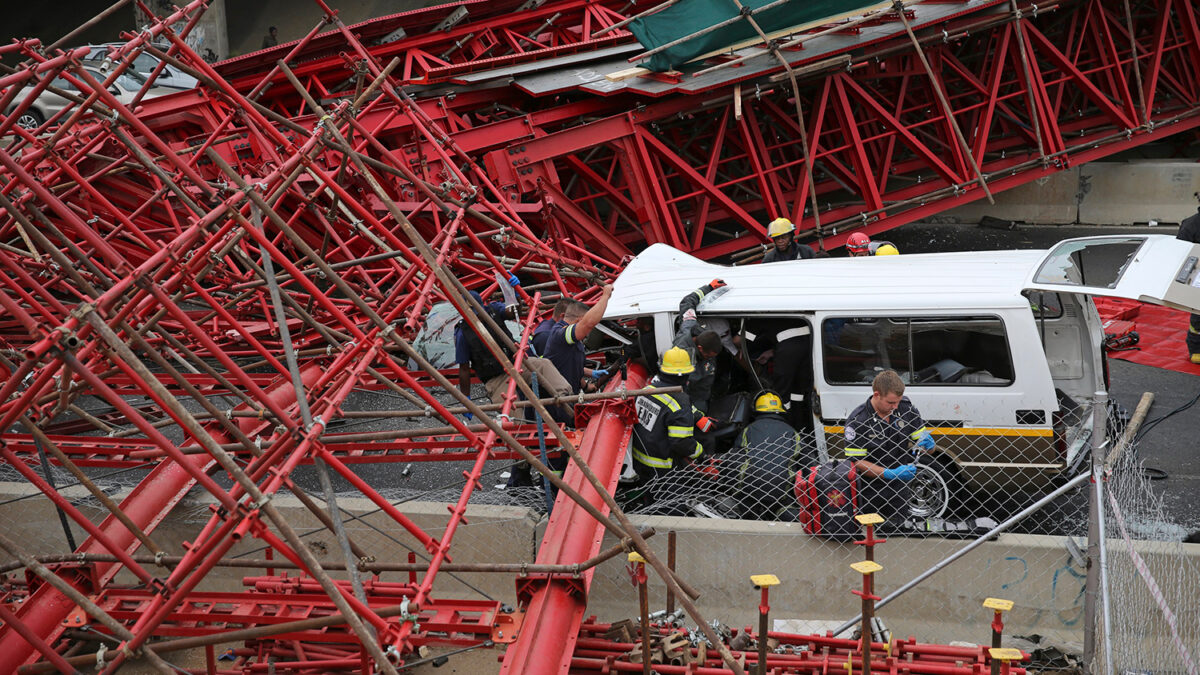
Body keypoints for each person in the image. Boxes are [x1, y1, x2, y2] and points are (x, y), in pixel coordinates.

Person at [454, 290, 573, 424]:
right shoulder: (462, 333)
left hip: (515, 362)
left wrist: (514, 296)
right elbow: (464, 368)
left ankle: (565, 399)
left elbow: (513, 312)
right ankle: (522, 437)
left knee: (543, 364)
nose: (476, 317)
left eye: (478, 313)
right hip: (496, 378)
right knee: (513, 417)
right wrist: (466, 399)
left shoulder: (493, 310)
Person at [843, 369, 935, 522]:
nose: (895, 407)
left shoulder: (906, 409)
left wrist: (930, 445)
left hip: (900, 488)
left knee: (897, 531)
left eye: (898, 401)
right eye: (891, 402)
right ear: (877, 395)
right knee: (869, 534)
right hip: (869, 490)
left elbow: (929, 450)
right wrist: (889, 473)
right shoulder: (858, 420)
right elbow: (856, 462)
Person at [729, 391, 812, 518]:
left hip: (750, 493)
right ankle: (780, 513)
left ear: (756, 410)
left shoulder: (748, 431)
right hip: (781, 494)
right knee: (787, 510)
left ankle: (752, 514)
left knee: (744, 508)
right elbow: (809, 465)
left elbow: (733, 461)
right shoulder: (793, 433)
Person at [631, 347, 708, 481]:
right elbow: (681, 442)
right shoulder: (681, 403)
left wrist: (696, 416)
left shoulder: (646, 390)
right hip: (663, 470)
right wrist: (702, 455)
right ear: (685, 375)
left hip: (639, 461)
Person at [743, 318, 814, 433]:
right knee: (798, 393)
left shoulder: (753, 317)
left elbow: (739, 340)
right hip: (808, 342)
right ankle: (800, 428)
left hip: (788, 347)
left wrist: (740, 352)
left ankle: (782, 428)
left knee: (781, 392)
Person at [543, 285, 614, 395]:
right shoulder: (560, 334)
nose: (588, 332)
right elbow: (588, 323)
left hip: (569, 392)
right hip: (557, 397)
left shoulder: (571, 339)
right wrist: (605, 296)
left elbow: (570, 365)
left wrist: (588, 380)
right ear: (579, 320)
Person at [673, 280, 727, 413]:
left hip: (704, 393)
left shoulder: (690, 325)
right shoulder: (680, 356)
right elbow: (677, 392)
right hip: (691, 400)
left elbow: (688, 302)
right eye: (709, 356)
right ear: (701, 349)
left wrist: (709, 287)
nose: (710, 359)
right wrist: (697, 416)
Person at [1178, 204, 1200, 362]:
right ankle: (1196, 348)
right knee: (1199, 316)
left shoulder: (1190, 224)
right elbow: (1179, 254)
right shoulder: (1191, 225)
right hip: (1198, 278)